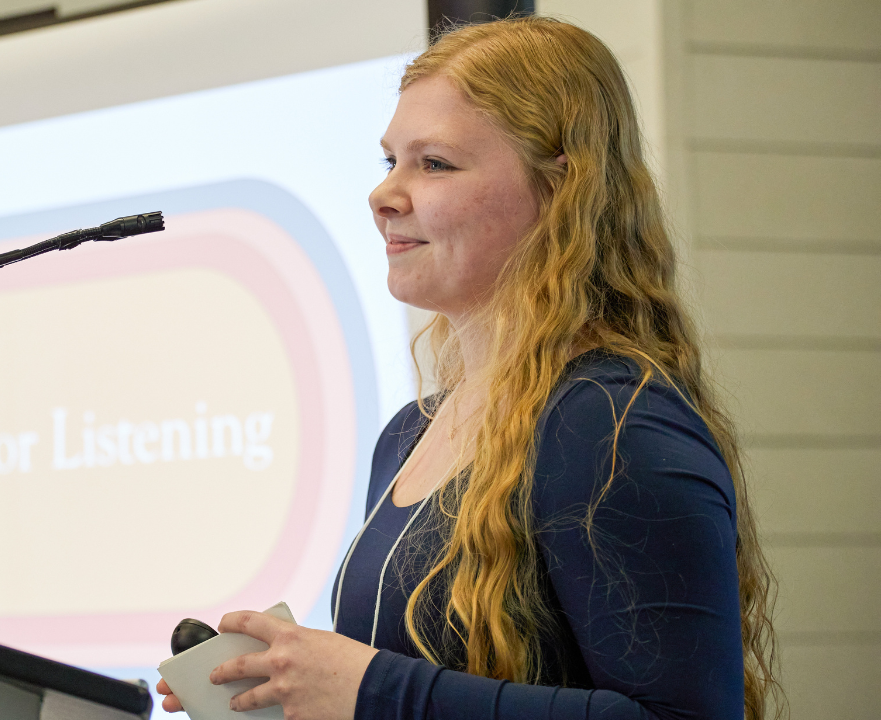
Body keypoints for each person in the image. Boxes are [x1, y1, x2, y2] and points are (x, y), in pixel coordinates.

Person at [157, 16, 781, 720]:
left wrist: (367, 690)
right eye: (389, 161)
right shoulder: (407, 435)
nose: (384, 195)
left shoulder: (610, 424)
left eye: (435, 164)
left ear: (559, 191)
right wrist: (282, 687)